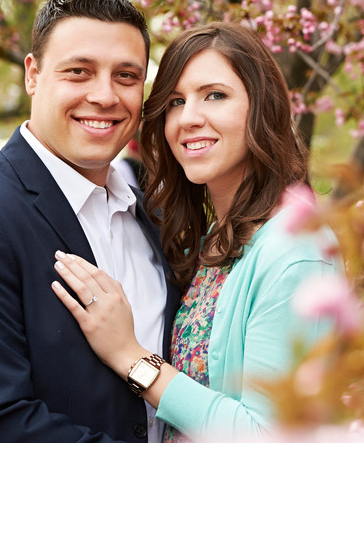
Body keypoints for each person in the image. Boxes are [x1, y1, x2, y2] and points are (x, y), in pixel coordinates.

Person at [51, 22, 341, 442]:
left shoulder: (295, 249)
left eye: (215, 96)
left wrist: (130, 356)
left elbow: (270, 437)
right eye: (174, 101)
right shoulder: (217, 238)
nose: (188, 119)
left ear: (262, 107)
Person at [0, 0, 180, 442]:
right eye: (79, 71)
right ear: (33, 75)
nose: (105, 95)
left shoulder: (154, 208)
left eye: (126, 76)